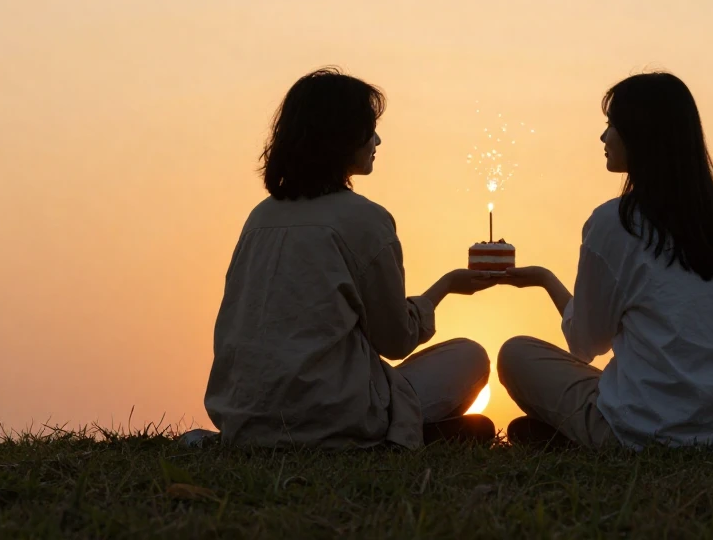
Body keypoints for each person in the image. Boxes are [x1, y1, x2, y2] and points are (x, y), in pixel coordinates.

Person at [204, 68, 499, 449]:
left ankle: (414, 432)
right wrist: (444, 288)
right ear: (342, 137)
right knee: (470, 357)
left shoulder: (259, 218)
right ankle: (399, 434)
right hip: (331, 416)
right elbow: (395, 340)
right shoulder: (365, 219)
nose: (376, 140)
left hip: (244, 420)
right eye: (369, 128)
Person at [496, 72, 713, 450]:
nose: (604, 138)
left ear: (640, 136)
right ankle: (568, 437)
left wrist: (545, 280)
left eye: (612, 126)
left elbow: (586, 342)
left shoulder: (615, 222)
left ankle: (582, 437)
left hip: (646, 430)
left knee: (515, 354)